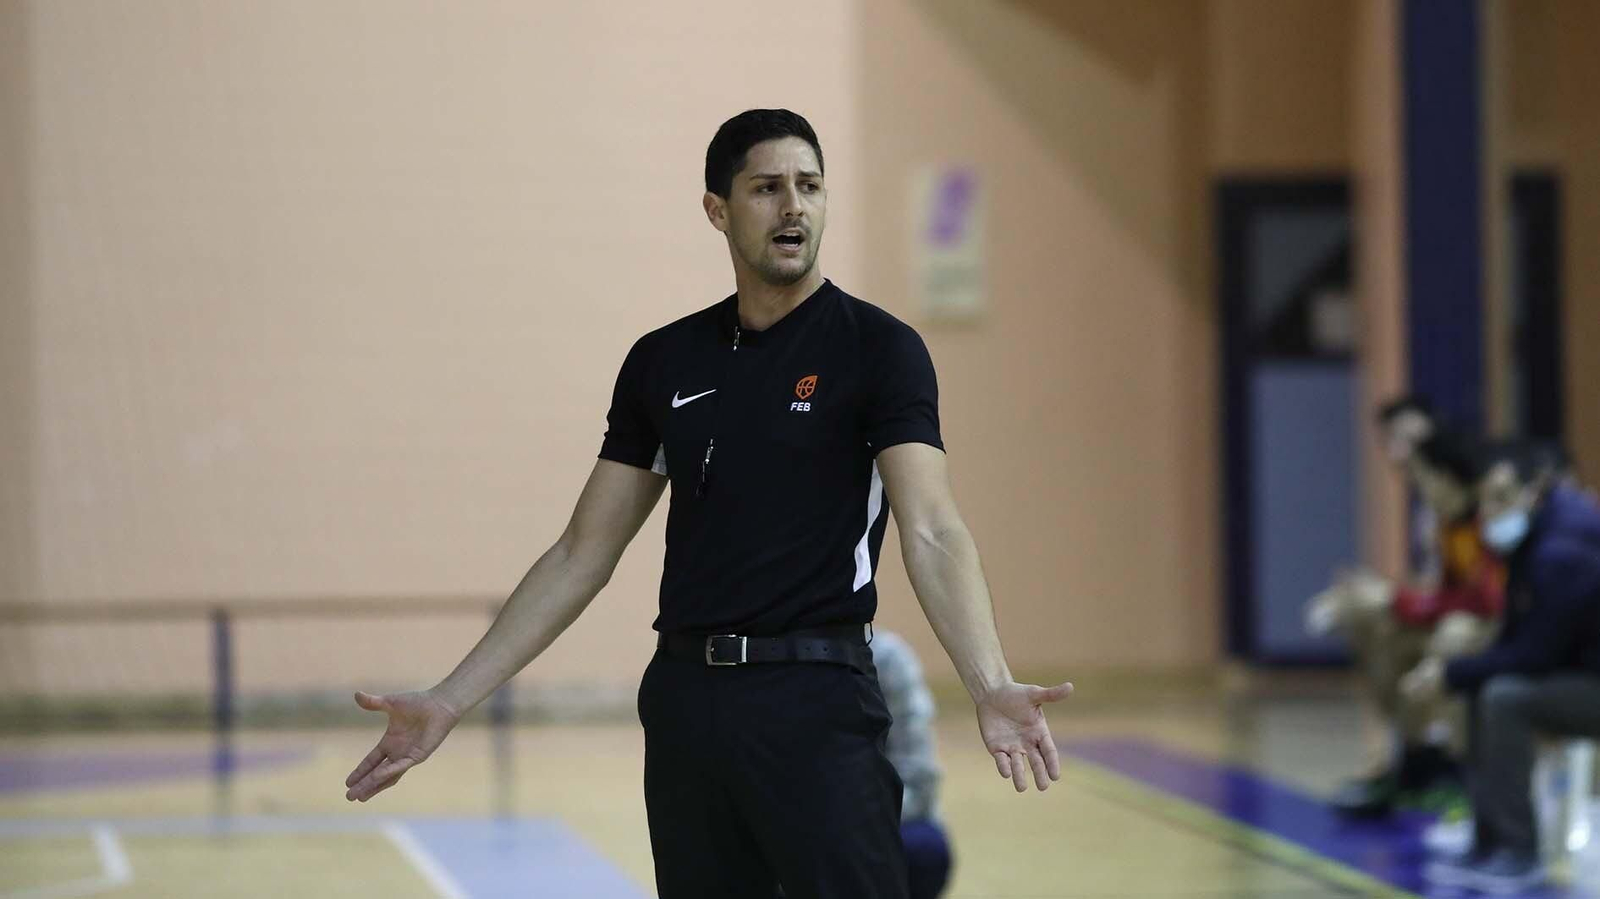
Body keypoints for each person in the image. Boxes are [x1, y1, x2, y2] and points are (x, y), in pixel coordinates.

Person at [341, 109, 1070, 899]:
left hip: (817, 699)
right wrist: (450, 698)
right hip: (687, 703)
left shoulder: (878, 349)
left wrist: (989, 682)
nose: (793, 206)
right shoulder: (664, 361)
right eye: (767, 187)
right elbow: (582, 552)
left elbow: (931, 528)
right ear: (717, 209)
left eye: (810, 186)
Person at [1405, 443, 1600, 893]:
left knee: (1504, 697)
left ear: (1534, 491)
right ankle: (1489, 841)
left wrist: (1450, 673)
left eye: (1501, 498)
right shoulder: (1533, 539)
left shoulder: (1561, 551)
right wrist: (1458, 672)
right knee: (1483, 683)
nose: (1489, 513)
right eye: (1485, 500)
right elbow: (1517, 639)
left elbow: (1534, 655)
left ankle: (1518, 852)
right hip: (1578, 671)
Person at [1307, 404, 1503, 817]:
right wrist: (1378, 601)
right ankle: (1413, 758)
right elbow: (1446, 592)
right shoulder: (1447, 526)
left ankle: (1460, 768)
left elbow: (1485, 600)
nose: (1417, 484)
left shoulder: (1487, 519)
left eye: (1423, 476)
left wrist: (1394, 598)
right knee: (1380, 632)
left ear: (1446, 477)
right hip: (1455, 617)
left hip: (1494, 630)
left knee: (1452, 637)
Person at [871, 630, 953, 899]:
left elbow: (920, 776)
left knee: (924, 849)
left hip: (876, 816)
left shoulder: (886, 657)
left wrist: (855, 820)